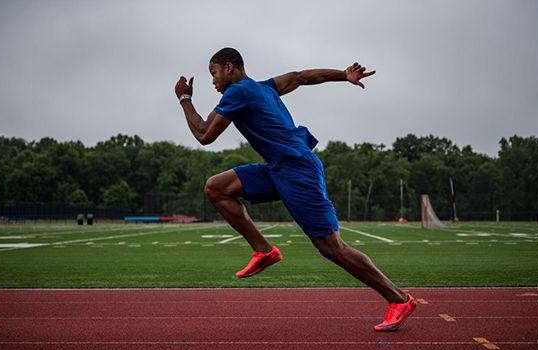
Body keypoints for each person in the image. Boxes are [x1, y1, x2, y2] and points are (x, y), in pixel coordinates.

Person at [174, 47, 416, 332]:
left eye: (213, 73)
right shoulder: (265, 88)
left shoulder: (237, 93)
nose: (213, 82)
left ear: (229, 68)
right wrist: (343, 75)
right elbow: (301, 77)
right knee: (216, 187)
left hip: (298, 170)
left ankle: (398, 298)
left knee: (332, 248)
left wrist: (185, 99)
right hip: (278, 168)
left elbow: (204, 134)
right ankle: (263, 250)